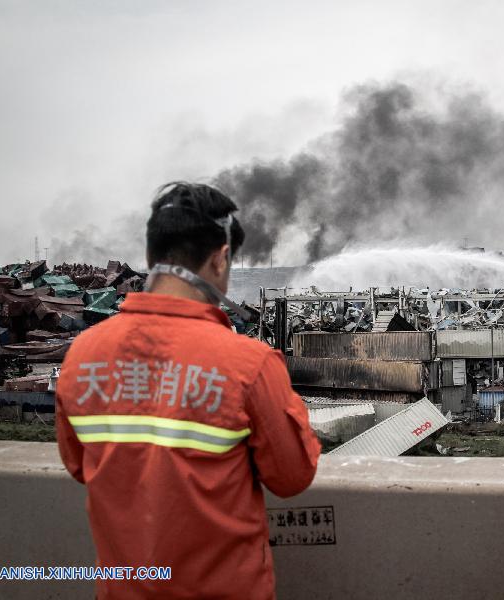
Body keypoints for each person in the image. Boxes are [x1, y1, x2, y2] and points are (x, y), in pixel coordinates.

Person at [56, 182, 321, 599]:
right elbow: (292, 477)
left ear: (151, 257)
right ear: (221, 259)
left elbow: (78, 465)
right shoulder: (249, 364)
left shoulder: (83, 355)